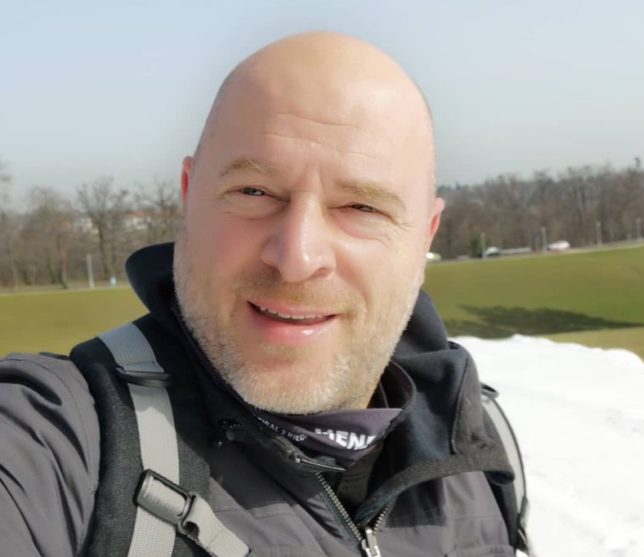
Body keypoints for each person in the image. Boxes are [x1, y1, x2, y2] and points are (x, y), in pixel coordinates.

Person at [0, 32, 526, 556]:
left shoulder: (478, 453)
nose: (297, 257)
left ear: (425, 236)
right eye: (254, 191)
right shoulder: (55, 440)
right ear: (189, 196)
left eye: (361, 207)